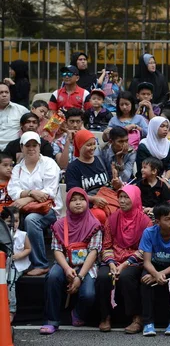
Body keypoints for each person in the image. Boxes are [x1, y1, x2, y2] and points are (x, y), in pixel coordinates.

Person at [39, 187, 102, 335]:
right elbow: (57, 250)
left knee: (88, 295)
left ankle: (78, 313)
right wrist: (67, 269)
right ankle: (51, 321)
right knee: (53, 277)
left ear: (87, 201)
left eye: (81, 199)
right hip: (65, 263)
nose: (78, 203)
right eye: (73, 200)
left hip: (87, 265)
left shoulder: (94, 224)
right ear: (67, 203)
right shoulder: (60, 224)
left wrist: (79, 277)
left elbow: (94, 252)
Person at [96, 185, 152, 333]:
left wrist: (125, 264)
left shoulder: (145, 221)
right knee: (102, 276)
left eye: (126, 197)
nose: (122, 200)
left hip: (134, 260)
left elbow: (144, 249)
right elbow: (106, 245)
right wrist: (112, 263)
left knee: (127, 277)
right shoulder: (112, 218)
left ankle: (136, 318)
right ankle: (105, 316)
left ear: (135, 199)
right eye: (120, 197)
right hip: (114, 258)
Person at [8, 132, 63, 276]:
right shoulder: (18, 168)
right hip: (25, 209)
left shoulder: (49, 163)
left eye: (34, 145)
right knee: (8, 218)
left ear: (39, 146)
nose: (31, 148)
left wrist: (26, 196)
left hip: (49, 209)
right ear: (22, 147)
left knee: (31, 220)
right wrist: (33, 193)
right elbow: (13, 191)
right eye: (27, 145)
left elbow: (48, 192)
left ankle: (41, 264)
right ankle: (14, 261)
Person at [139, 203, 170, 336]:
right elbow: (146, 262)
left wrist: (158, 275)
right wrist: (154, 274)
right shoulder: (149, 232)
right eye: (167, 219)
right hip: (154, 266)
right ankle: (148, 323)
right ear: (157, 221)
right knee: (145, 280)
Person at [136, 117, 170, 212]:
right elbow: (141, 168)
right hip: (146, 175)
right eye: (162, 126)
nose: (166, 129)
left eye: (167, 126)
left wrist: (165, 179)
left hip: (165, 175)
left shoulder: (169, 144)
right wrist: (160, 180)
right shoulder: (144, 145)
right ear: (154, 127)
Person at [65, 129, 114, 224]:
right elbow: (74, 194)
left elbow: (111, 183)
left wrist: (116, 183)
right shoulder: (73, 167)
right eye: (88, 145)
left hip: (108, 200)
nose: (92, 148)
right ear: (80, 146)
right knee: (100, 215)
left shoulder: (101, 160)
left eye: (93, 144)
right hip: (88, 205)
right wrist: (93, 199)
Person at [5, 210, 30, 323]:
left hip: (18, 264)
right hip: (4, 265)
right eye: (10, 221)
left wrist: (19, 256)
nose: (13, 224)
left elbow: (28, 249)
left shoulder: (22, 235)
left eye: (16, 221)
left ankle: (11, 309)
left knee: (10, 282)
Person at [0, 82, 30, 151]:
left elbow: (34, 122)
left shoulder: (21, 110)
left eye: (6, 92)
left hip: (13, 149)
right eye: (1, 92)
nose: (4, 95)